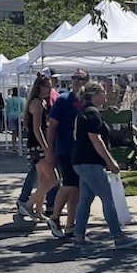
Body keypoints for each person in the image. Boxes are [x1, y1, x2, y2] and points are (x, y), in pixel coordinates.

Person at [70, 81, 137, 248]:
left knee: (85, 199)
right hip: (91, 162)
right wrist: (111, 161)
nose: (105, 95)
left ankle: (79, 236)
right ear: (93, 95)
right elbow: (97, 140)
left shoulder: (84, 112)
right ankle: (118, 237)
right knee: (108, 199)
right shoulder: (92, 114)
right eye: (102, 92)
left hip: (81, 162)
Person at [44, 69, 89, 239]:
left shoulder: (87, 101)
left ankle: (71, 224)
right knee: (69, 185)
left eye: (80, 78)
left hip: (82, 151)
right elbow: (52, 126)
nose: (76, 81)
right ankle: (54, 217)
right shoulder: (63, 100)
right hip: (65, 149)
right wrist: (49, 150)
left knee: (77, 189)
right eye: (74, 78)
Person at [23, 76, 58, 221]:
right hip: (37, 146)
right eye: (47, 86)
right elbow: (37, 129)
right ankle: (28, 204)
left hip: (36, 145)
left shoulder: (41, 102)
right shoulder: (36, 103)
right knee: (53, 179)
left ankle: (38, 211)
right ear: (40, 87)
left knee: (43, 179)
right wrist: (46, 148)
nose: (50, 89)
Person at [5, 87, 26, 153]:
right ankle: (20, 147)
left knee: (14, 132)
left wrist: (6, 117)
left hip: (11, 115)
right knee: (20, 132)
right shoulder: (22, 99)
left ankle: (14, 147)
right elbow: (24, 109)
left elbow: (7, 109)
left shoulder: (9, 100)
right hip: (20, 115)